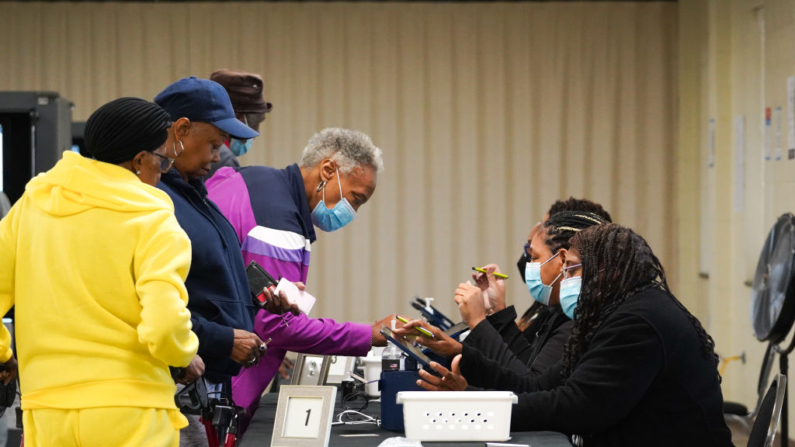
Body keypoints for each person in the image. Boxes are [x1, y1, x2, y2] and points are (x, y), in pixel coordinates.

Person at [0, 98, 203, 446]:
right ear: (140, 161)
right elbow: (165, 326)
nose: (165, 172)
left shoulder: (32, 205)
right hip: (130, 409)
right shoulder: (153, 220)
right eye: (164, 160)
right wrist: (184, 354)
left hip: (46, 407)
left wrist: (4, 354)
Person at [416, 224, 734, 446]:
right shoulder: (614, 314)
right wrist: (459, 353)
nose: (566, 279)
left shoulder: (638, 323)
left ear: (606, 272)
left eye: (573, 269)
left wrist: (475, 410)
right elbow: (536, 385)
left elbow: (576, 408)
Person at [205, 128, 395, 431]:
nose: (353, 212)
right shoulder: (277, 223)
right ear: (328, 169)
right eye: (355, 199)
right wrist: (369, 335)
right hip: (215, 380)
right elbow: (279, 326)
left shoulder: (255, 180)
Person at [154, 78, 294, 446]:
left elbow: (204, 274)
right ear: (181, 130)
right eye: (213, 144)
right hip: (173, 386)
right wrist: (220, 339)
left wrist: (256, 294)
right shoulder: (155, 203)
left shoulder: (194, 194)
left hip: (204, 385)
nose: (218, 156)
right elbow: (152, 308)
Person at [396, 212, 607, 377]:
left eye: (533, 257)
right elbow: (526, 362)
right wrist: (497, 313)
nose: (528, 265)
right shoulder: (557, 313)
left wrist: (479, 322)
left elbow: (529, 384)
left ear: (563, 260)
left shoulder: (577, 322)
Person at [206, 69, 272, 178]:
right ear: (236, 117)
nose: (257, 132)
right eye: (255, 122)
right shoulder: (222, 161)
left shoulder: (186, 146)